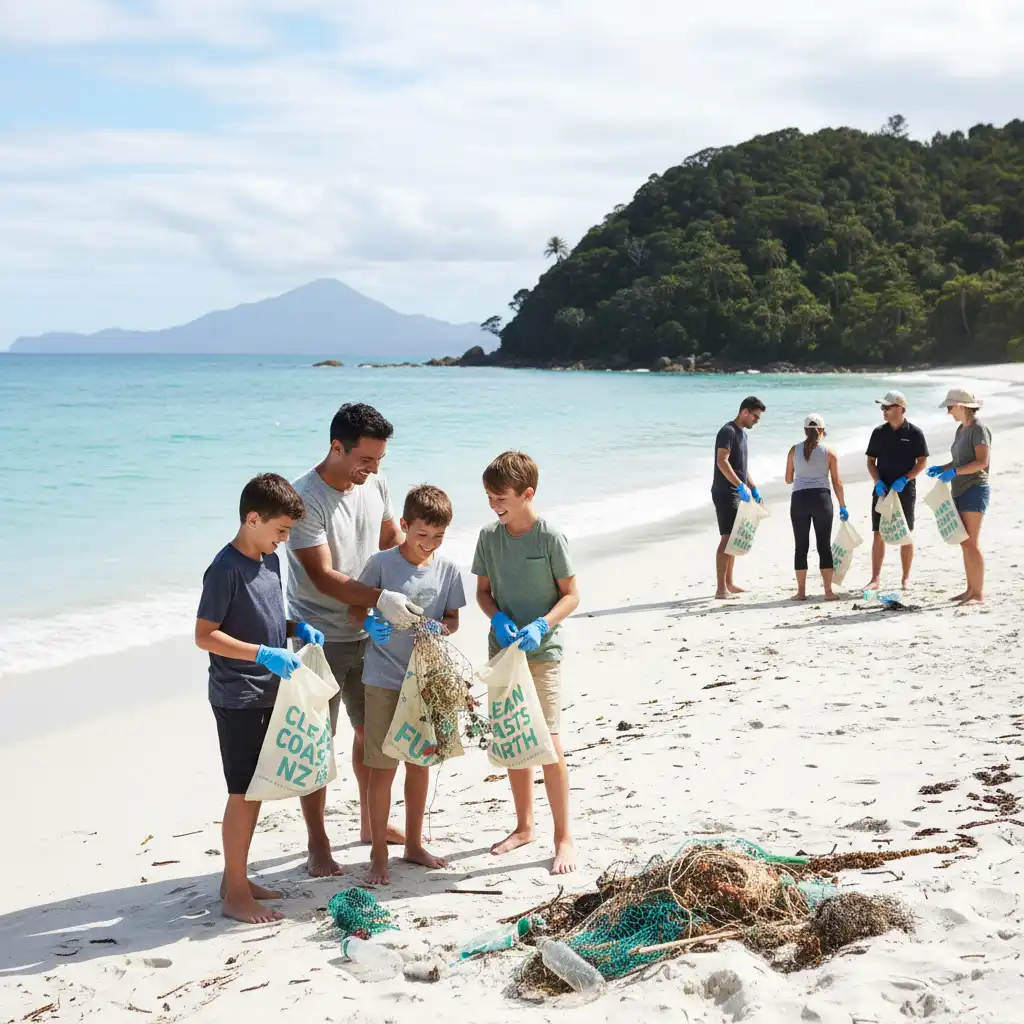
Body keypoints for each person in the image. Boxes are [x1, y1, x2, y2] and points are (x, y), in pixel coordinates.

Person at [286, 403, 425, 876]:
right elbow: (323, 576)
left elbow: (389, 542)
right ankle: (318, 843)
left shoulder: (376, 483)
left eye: (379, 461)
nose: (373, 470)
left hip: (373, 632)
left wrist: (400, 591)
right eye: (365, 460)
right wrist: (377, 598)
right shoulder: (305, 499)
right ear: (336, 448)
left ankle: (371, 824)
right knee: (315, 742)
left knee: (374, 734)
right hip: (318, 638)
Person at [195, 473, 326, 923]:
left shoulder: (269, 559)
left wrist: (295, 629)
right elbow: (205, 635)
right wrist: (262, 654)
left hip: (269, 690)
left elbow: (267, 614)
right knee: (243, 794)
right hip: (237, 695)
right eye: (280, 531)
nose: (284, 540)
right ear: (253, 519)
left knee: (254, 791)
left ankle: (237, 878)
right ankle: (234, 894)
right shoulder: (224, 569)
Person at [348, 484, 467, 885]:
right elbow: (354, 610)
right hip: (381, 679)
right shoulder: (381, 564)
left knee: (420, 764)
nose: (429, 545)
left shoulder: (448, 570)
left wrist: (442, 628)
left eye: (438, 538)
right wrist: (370, 625)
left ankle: (414, 844)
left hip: (427, 682)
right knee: (382, 768)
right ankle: (379, 853)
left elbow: (453, 619)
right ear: (404, 525)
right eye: (421, 536)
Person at [472, 451, 580, 875]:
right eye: (488, 496)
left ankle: (563, 837)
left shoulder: (550, 537)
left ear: (526, 494)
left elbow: (571, 595)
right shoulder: (488, 537)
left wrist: (542, 624)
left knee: (549, 743)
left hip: (542, 651)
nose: (492, 504)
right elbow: (483, 591)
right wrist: (495, 615)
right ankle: (524, 826)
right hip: (502, 653)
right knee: (517, 740)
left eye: (499, 497)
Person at [927, 388, 992, 605]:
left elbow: (982, 462)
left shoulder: (979, 429)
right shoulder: (960, 430)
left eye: (949, 407)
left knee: (971, 542)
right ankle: (969, 589)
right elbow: (959, 461)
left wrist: (954, 472)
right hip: (958, 489)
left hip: (975, 488)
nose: (948, 412)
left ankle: (978, 593)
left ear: (962, 406)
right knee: (965, 542)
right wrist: (943, 467)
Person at [865, 390, 929, 590]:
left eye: (887, 407)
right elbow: (870, 461)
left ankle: (905, 578)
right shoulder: (878, 432)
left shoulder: (915, 433)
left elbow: (922, 461)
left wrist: (906, 478)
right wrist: (877, 482)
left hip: (904, 488)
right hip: (882, 489)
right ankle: (875, 579)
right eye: (882, 407)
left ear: (900, 408)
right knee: (878, 532)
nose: (883, 410)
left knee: (906, 532)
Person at [785, 414, 847, 601]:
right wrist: (843, 505)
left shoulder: (793, 450)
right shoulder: (830, 452)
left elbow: (788, 479)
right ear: (821, 431)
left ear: (805, 431)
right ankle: (828, 592)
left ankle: (801, 592)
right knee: (823, 546)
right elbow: (837, 482)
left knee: (801, 546)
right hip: (822, 500)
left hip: (799, 500)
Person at [712, 397, 766, 599]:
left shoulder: (743, 435)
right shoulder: (728, 431)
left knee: (734, 537)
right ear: (744, 412)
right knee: (727, 538)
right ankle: (720, 589)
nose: (757, 421)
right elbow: (722, 462)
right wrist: (739, 485)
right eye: (755, 416)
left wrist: (752, 487)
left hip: (738, 490)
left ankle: (729, 583)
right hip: (725, 491)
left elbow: (741, 467)